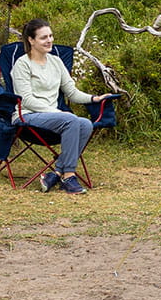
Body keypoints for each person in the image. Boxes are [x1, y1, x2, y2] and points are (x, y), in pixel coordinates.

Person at [10, 18, 118, 194]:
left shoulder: (56, 62)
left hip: (53, 117)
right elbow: (26, 100)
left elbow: (72, 92)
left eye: (51, 36)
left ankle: (56, 172)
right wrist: (56, 112)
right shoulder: (22, 64)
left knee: (85, 124)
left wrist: (94, 98)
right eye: (44, 37)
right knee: (71, 120)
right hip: (27, 116)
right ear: (31, 40)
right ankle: (68, 176)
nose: (50, 40)